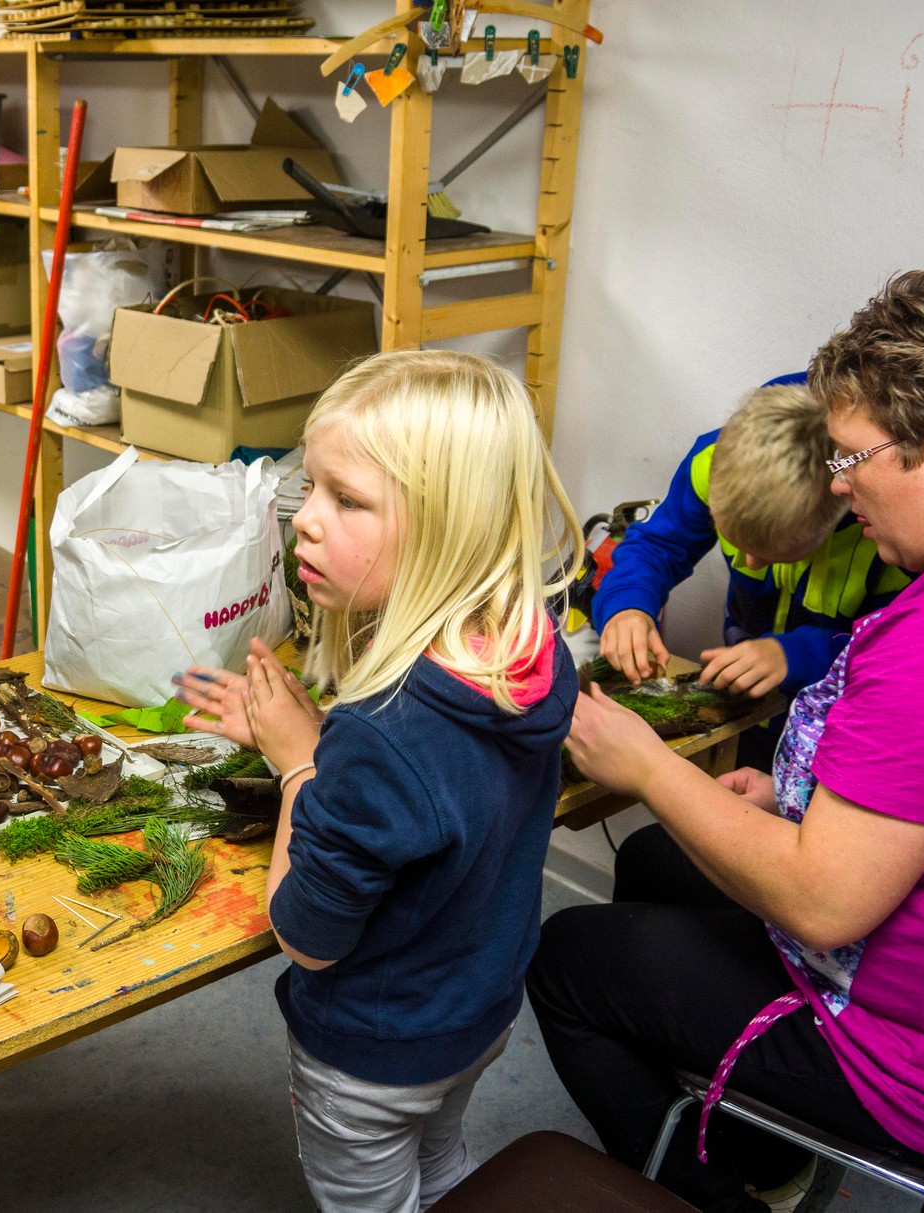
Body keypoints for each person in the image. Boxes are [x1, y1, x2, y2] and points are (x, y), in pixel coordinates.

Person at [532, 270, 924, 1213]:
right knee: (661, 862)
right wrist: (789, 801)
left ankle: (724, 1192)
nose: (842, 482)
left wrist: (649, 765)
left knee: (568, 958)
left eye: (853, 457)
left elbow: (823, 904)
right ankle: (737, 1121)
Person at [174, 349, 582, 1213]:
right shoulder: (535, 652)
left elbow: (307, 934)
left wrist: (298, 763)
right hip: (477, 1014)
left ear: (447, 522)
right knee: (442, 1166)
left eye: (346, 498)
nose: (305, 522)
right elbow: (439, 799)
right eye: (309, 487)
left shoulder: (382, 736)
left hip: (373, 1055)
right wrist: (321, 742)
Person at [594, 379, 909, 769]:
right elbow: (659, 547)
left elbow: (898, 650)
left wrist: (798, 655)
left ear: (843, 500)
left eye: (772, 552)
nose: (750, 563)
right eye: (734, 539)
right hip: (749, 713)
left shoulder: (892, 529)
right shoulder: (713, 461)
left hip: (839, 735)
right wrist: (628, 605)